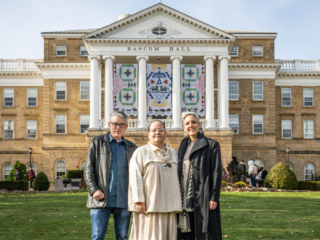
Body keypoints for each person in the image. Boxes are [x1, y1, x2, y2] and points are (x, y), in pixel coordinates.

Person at [84, 111, 138, 240]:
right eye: (115, 124)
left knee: (123, 237)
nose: (117, 127)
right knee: (98, 236)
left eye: (121, 125)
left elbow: (137, 174)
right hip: (101, 199)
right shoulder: (97, 142)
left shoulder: (132, 147)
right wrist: (93, 189)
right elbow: (88, 168)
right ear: (109, 124)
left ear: (126, 126)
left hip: (124, 200)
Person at [128, 120, 182, 240]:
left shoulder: (174, 153)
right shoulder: (140, 152)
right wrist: (138, 200)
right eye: (153, 130)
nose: (157, 132)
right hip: (149, 205)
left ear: (165, 133)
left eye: (160, 130)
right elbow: (135, 177)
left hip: (170, 205)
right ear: (148, 134)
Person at [177, 112, 222, 240]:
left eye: (193, 122)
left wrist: (214, 196)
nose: (191, 125)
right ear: (184, 127)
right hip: (184, 198)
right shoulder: (183, 145)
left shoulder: (212, 145)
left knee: (204, 233)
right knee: (187, 234)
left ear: (199, 124)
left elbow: (216, 173)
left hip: (203, 196)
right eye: (187, 123)